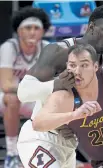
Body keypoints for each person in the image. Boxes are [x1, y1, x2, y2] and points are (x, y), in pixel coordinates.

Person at [17, 5, 103, 168]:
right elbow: (23, 93)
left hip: (69, 145)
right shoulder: (58, 51)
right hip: (41, 136)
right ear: (91, 27)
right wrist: (56, 84)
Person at [0, 6, 50, 168]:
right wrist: (37, 87)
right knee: (13, 98)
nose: (32, 32)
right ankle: (12, 154)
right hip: (5, 100)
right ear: (19, 31)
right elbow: (6, 85)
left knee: (58, 100)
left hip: (31, 98)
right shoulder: (9, 47)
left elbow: (54, 83)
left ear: (43, 32)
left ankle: (50, 152)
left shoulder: (47, 48)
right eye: (28, 28)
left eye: (36, 28)